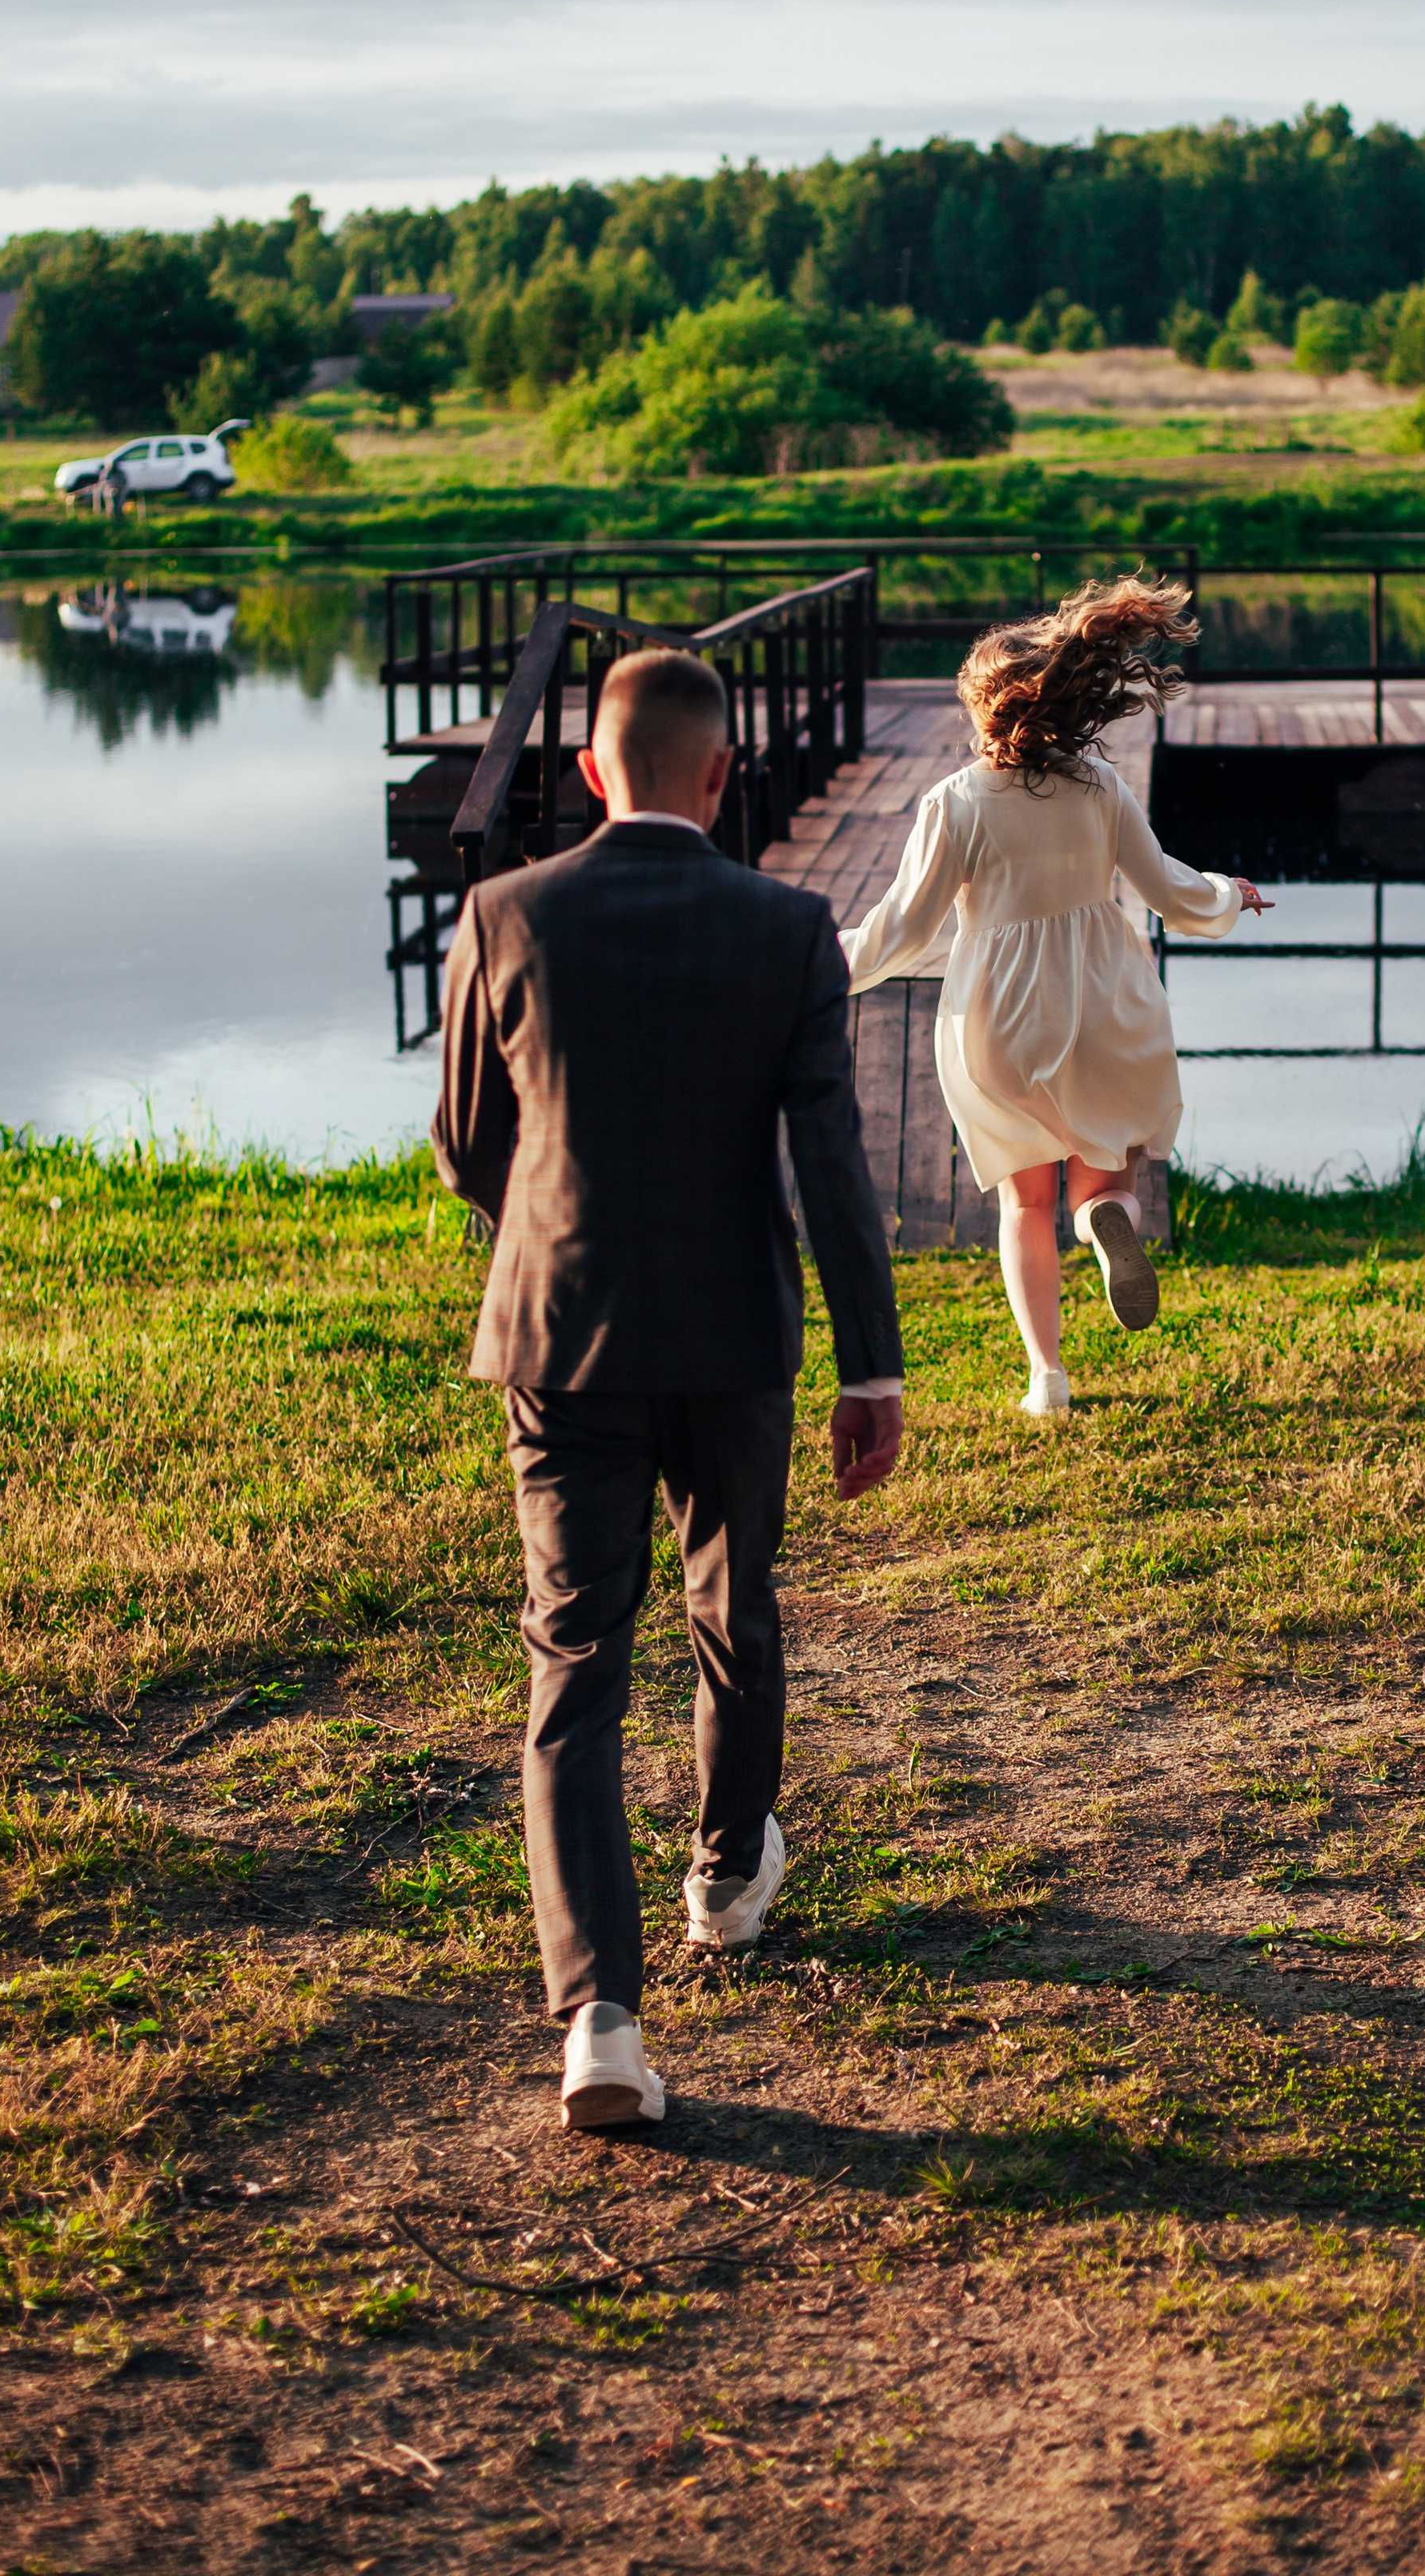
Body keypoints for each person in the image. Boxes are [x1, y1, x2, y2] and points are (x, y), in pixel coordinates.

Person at [432, 648, 905, 2133]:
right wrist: (871, 1362)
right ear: (720, 774)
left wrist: (554, 1232)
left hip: (559, 1332)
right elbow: (832, 1161)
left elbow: (466, 1144)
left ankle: (600, 2024)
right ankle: (724, 1873)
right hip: (735, 1331)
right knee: (733, 1604)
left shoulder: (506, 914)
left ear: (590, 770)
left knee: (575, 1658)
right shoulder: (787, 927)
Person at [841, 573, 1267, 1414]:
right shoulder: (1099, 788)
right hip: (1102, 1001)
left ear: (983, 713)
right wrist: (1228, 893)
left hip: (1000, 1020)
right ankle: (1108, 1220)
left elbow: (904, 929)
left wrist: (819, 962)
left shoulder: (954, 802)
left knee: (1023, 1203)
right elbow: (1166, 888)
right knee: (1104, 1176)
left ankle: (1047, 1377)